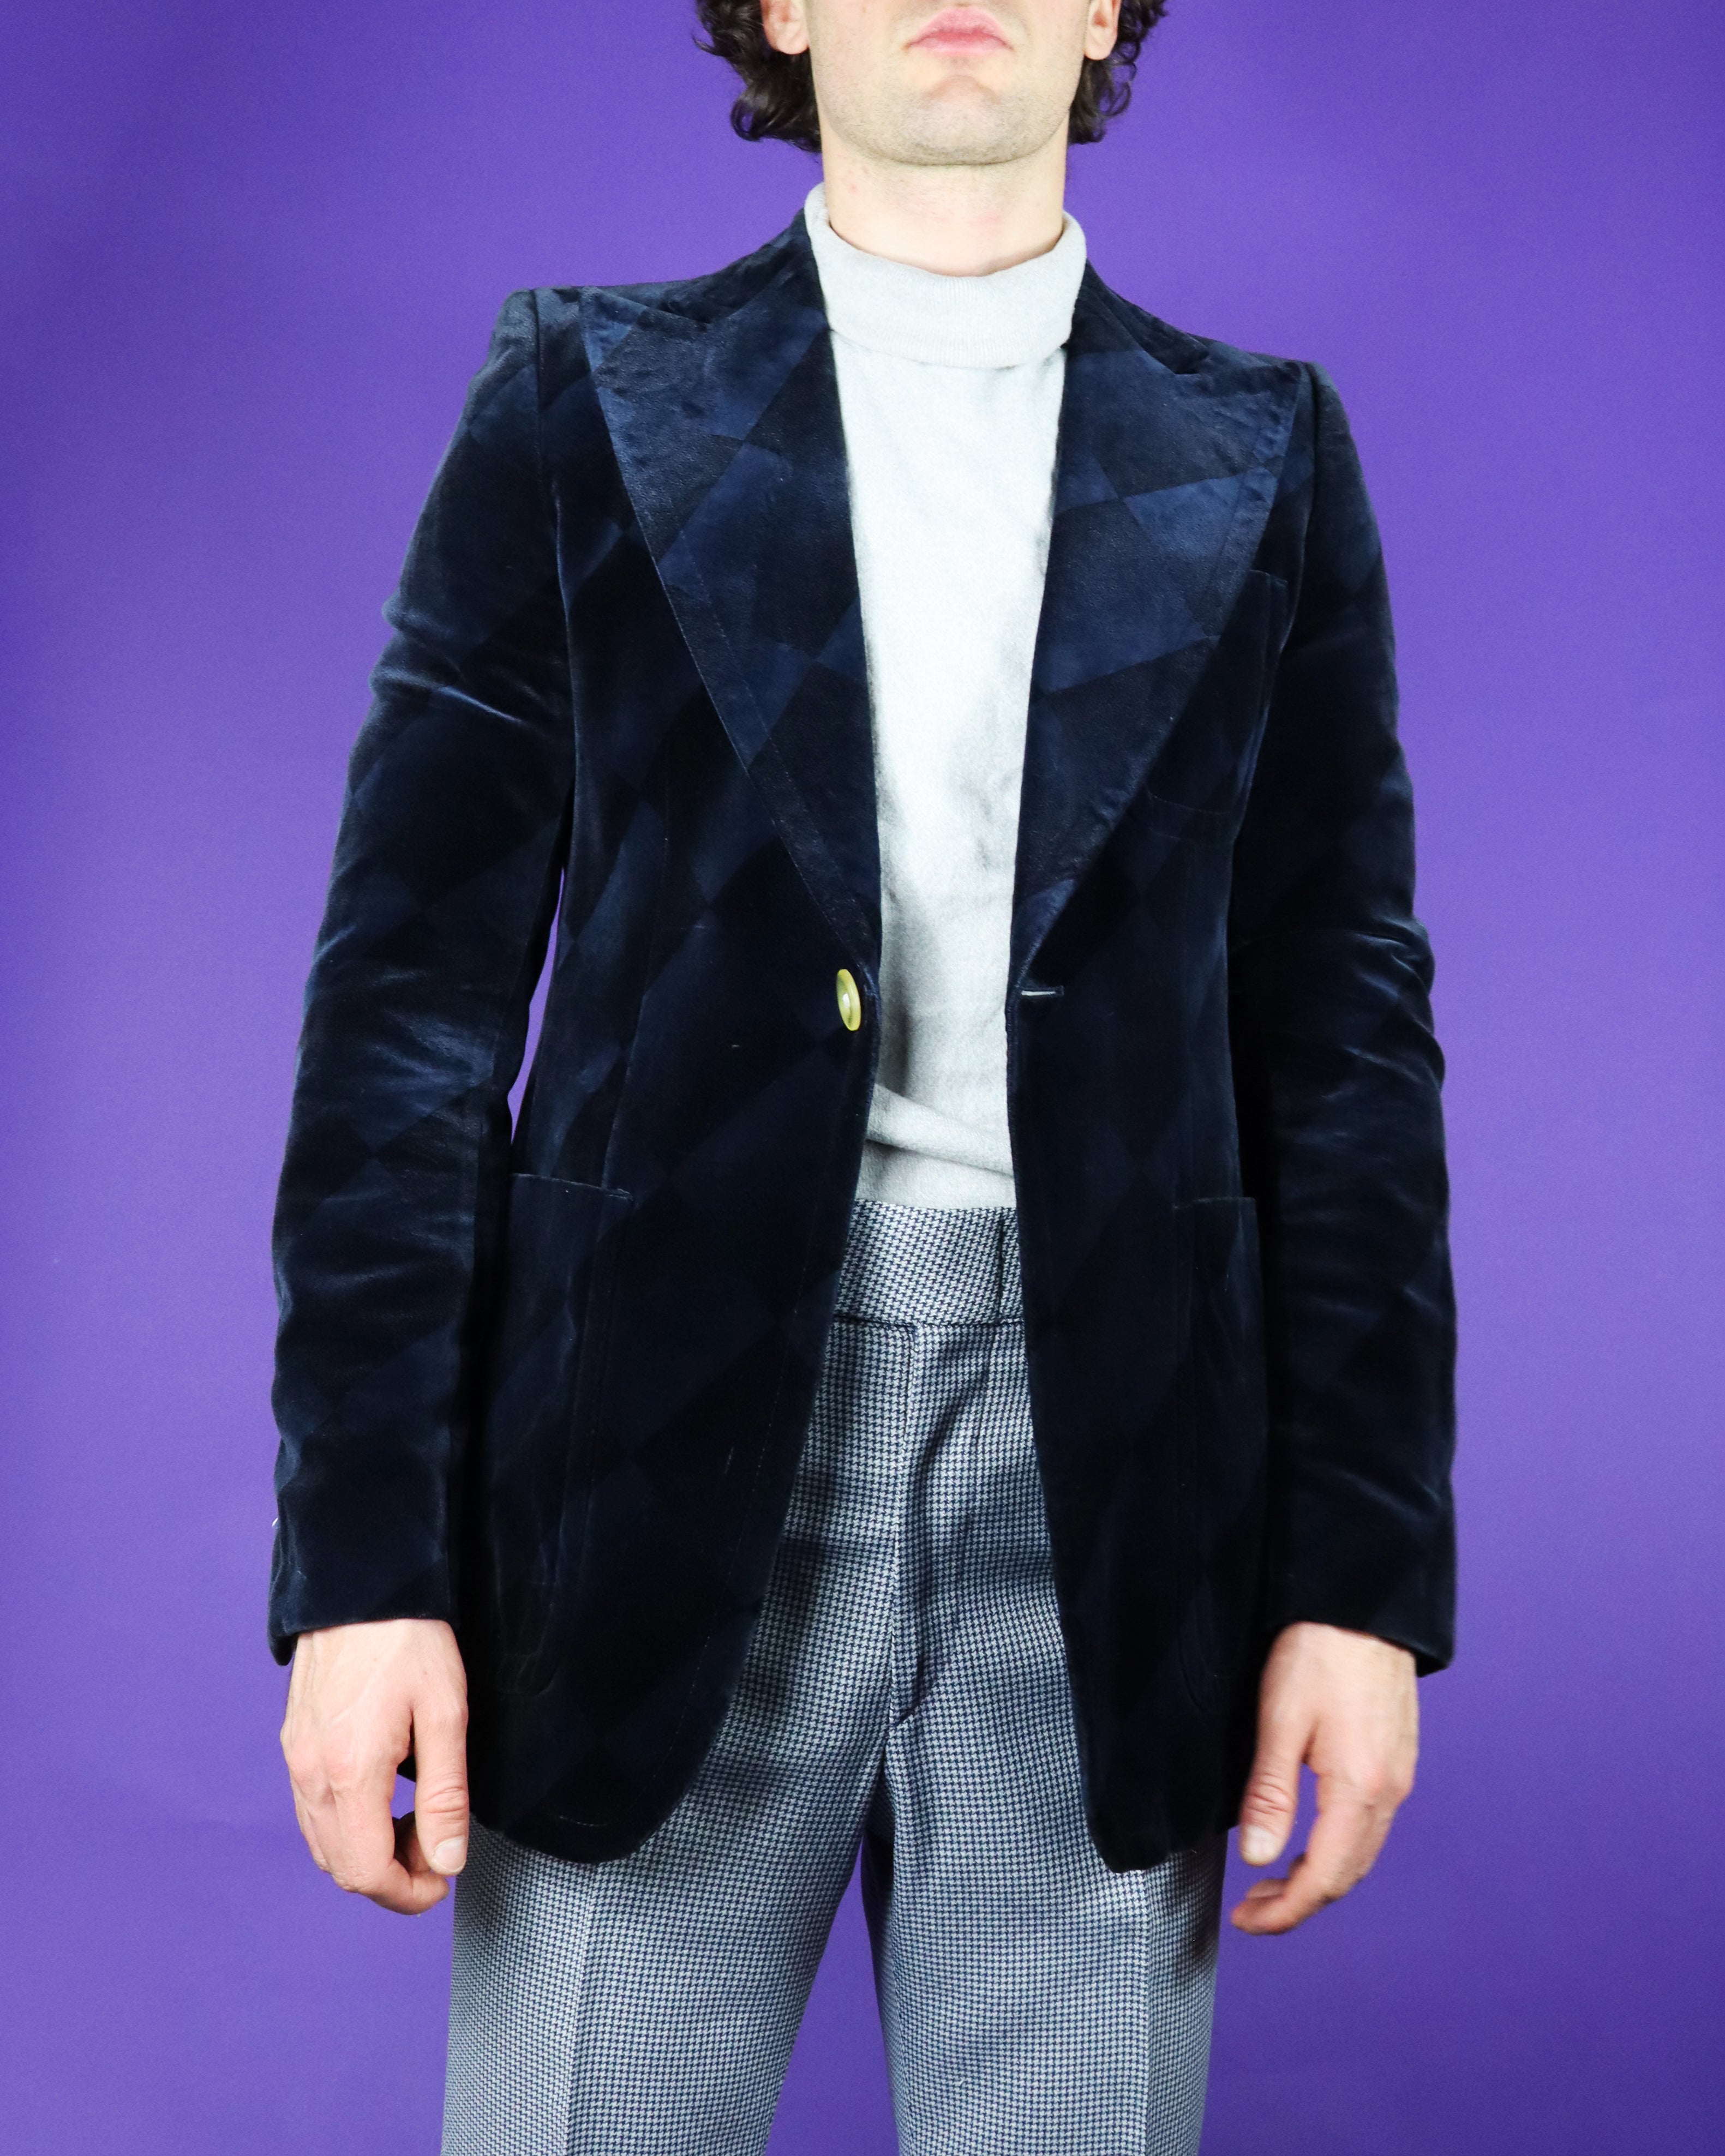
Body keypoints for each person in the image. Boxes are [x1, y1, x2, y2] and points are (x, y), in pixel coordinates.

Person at [271, 1, 1457, 2149]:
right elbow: (407, 1010)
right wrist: (365, 1566)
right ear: (782, 11)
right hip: (643, 1463)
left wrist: (1356, 1587)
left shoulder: (1264, 449)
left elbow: (1344, 1034)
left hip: (1114, 1489)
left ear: (1101, 11)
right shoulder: (581, 395)